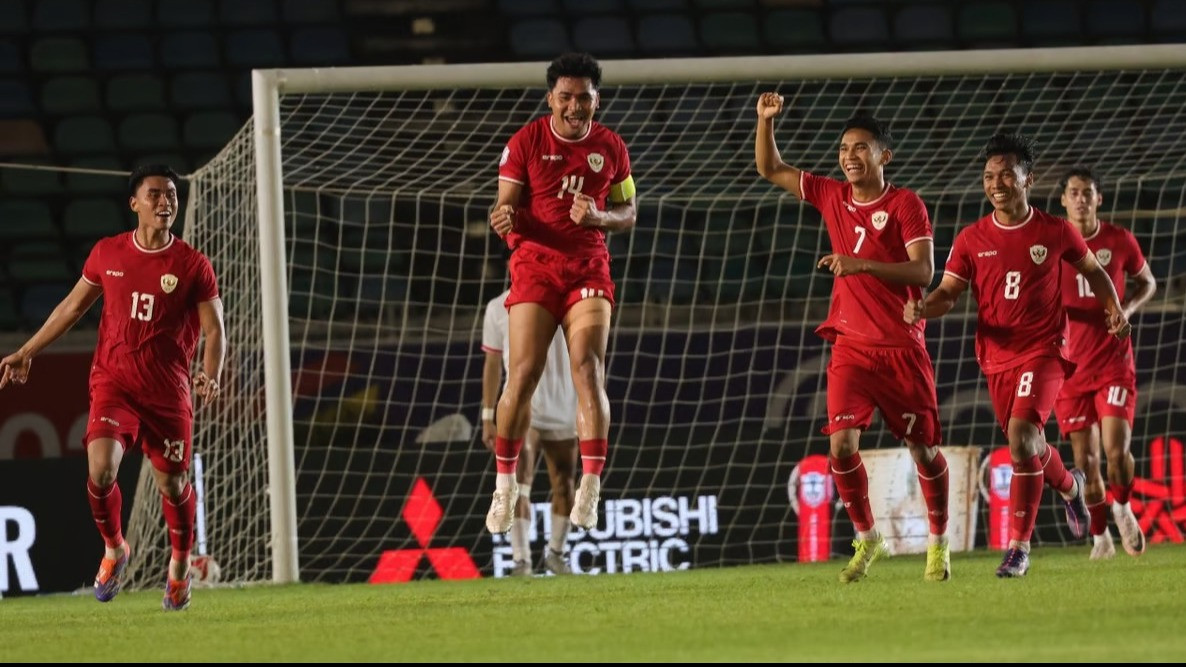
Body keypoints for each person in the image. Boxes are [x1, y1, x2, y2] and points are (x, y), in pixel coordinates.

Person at [904, 134, 1130, 578]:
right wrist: (922, 306)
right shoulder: (971, 238)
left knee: (1022, 437)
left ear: (1030, 177)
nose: (997, 183)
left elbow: (1095, 272)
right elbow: (948, 293)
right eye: (989, 176)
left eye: (1007, 173)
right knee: (1031, 444)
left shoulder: (1055, 230)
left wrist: (1113, 309)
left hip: (1045, 350)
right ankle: (1071, 487)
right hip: (996, 357)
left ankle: (1018, 549)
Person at [0, 164, 225, 610]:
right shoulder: (108, 253)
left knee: (174, 485)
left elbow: (215, 329)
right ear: (134, 203)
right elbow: (71, 308)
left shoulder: (193, 264)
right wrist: (28, 350)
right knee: (100, 471)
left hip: (168, 392)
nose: (166, 202)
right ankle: (115, 548)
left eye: (172, 196)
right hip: (115, 384)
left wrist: (210, 372)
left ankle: (180, 566)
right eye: (156, 194)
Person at [755, 93, 952, 583]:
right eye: (844, 148)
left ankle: (938, 542)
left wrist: (861, 265)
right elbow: (770, 168)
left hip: (902, 348)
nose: (849, 156)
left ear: (884, 156)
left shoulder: (907, 204)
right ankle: (868, 537)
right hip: (851, 348)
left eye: (861, 148)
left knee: (924, 452)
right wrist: (765, 121)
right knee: (841, 446)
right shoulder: (830, 194)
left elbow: (924, 271)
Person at [486, 52, 637, 535]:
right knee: (523, 373)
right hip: (535, 264)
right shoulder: (524, 141)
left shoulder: (612, 147)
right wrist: (503, 218)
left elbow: (629, 212)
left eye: (584, 98)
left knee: (588, 370)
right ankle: (505, 487)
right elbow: (505, 208)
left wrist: (599, 218)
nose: (575, 106)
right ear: (551, 97)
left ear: (597, 100)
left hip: (588, 264)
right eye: (566, 97)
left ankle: (590, 488)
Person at [1055, 167, 1156, 560]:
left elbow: (1148, 282)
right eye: (1073, 192)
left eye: (1088, 193)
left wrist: (1126, 308)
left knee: (1117, 451)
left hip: (1113, 363)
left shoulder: (1118, 240)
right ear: (1063, 200)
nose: (1081, 198)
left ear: (1099, 199)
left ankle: (1124, 506)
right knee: (1086, 462)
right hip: (1069, 371)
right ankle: (1100, 538)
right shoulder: (1051, 244)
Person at [481, 289, 579, 576]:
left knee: (565, 485)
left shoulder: (568, 299)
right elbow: (492, 363)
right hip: (525, 406)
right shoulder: (497, 307)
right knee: (518, 483)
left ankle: (556, 554)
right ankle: (521, 561)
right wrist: (488, 416)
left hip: (563, 404)